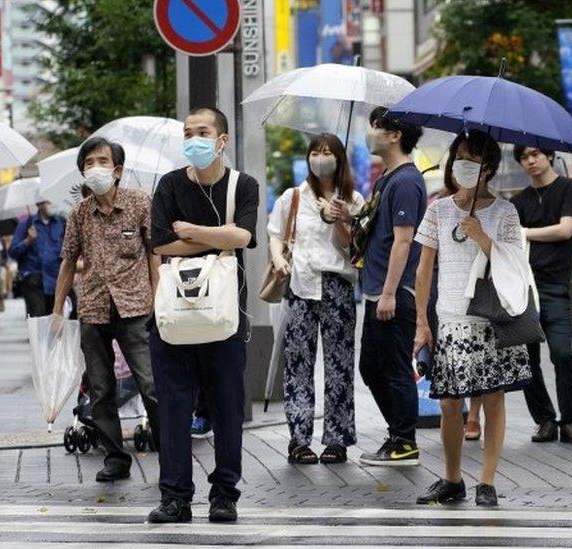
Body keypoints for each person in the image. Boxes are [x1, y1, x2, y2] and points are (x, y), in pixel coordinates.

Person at [147, 107, 259, 524]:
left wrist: (191, 232)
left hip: (225, 317)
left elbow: (244, 236)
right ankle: (174, 496)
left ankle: (224, 494)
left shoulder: (242, 186)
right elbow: (160, 244)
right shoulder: (170, 185)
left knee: (227, 408)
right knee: (173, 409)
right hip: (174, 315)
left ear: (222, 140)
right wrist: (218, 239)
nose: (194, 139)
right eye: (188, 132)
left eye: (203, 131)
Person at [413, 130, 531, 506]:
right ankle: (451, 478)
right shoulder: (438, 209)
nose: (462, 164)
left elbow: (514, 264)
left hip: (491, 318)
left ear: (489, 168)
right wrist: (421, 321)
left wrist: (482, 236)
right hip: (450, 317)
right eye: (459, 156)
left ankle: (487, 481)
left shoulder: (505, 211)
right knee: (449, 402)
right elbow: (423, 269)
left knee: (493, 398)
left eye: (472, 159)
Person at [50, 136, 161, 482]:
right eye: (88, 163)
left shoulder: (140, 203)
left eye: (101, 161)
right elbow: (68, 263)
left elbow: (154, 253)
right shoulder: (79, 214)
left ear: (117, 169)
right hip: (93, 309)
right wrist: (56, 312)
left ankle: (170, 451)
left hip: (136, 307)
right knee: (100, 390)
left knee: (151, 384)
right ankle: (115, 457)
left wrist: (158, 300)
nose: (95, 168)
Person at [268, 133, 363, 465]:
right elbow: (276, 234)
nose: (321, 157)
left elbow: (351, 249)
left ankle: (337, 439)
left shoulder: (355, 200)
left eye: (327, 152)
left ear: (339, 159)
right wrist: (279, 259)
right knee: (297, 363)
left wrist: (341, 219)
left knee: (339, 364)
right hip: (300, 284)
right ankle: (299, 439)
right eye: (315, 152)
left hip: (337, 285)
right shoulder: (293, 197)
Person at [357, 107, 426, 466]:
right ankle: (398, 434)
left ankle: (405, 442)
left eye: (376, 127)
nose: (370, 134)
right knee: (371, 366)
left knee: (394, 367)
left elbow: (404, 241)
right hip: (376, 289)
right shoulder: (387, 178)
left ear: (395, 134)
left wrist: (388, 292)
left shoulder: (406, 181)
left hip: (393, 293)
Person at [511, 145, 572, 444]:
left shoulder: (570, 188)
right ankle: (544, 420)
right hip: (525, 287)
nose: (530, 161)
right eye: (524, 157)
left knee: (563, 353)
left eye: (535, 155)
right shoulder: (518, 202)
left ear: (549, 156)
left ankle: (570, 421)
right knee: (527, 358)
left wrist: (525, 232)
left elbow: (565, 230)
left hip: (555, 287)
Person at [9, 199, 65, 317]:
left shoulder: (60, 223)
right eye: (48, 202)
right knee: (37, 320)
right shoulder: (26, 224)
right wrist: (28, 241)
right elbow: (12, 252)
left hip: (55, 281)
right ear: (39, 204)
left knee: (55, 322)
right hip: (33, 281)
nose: (52, 205)